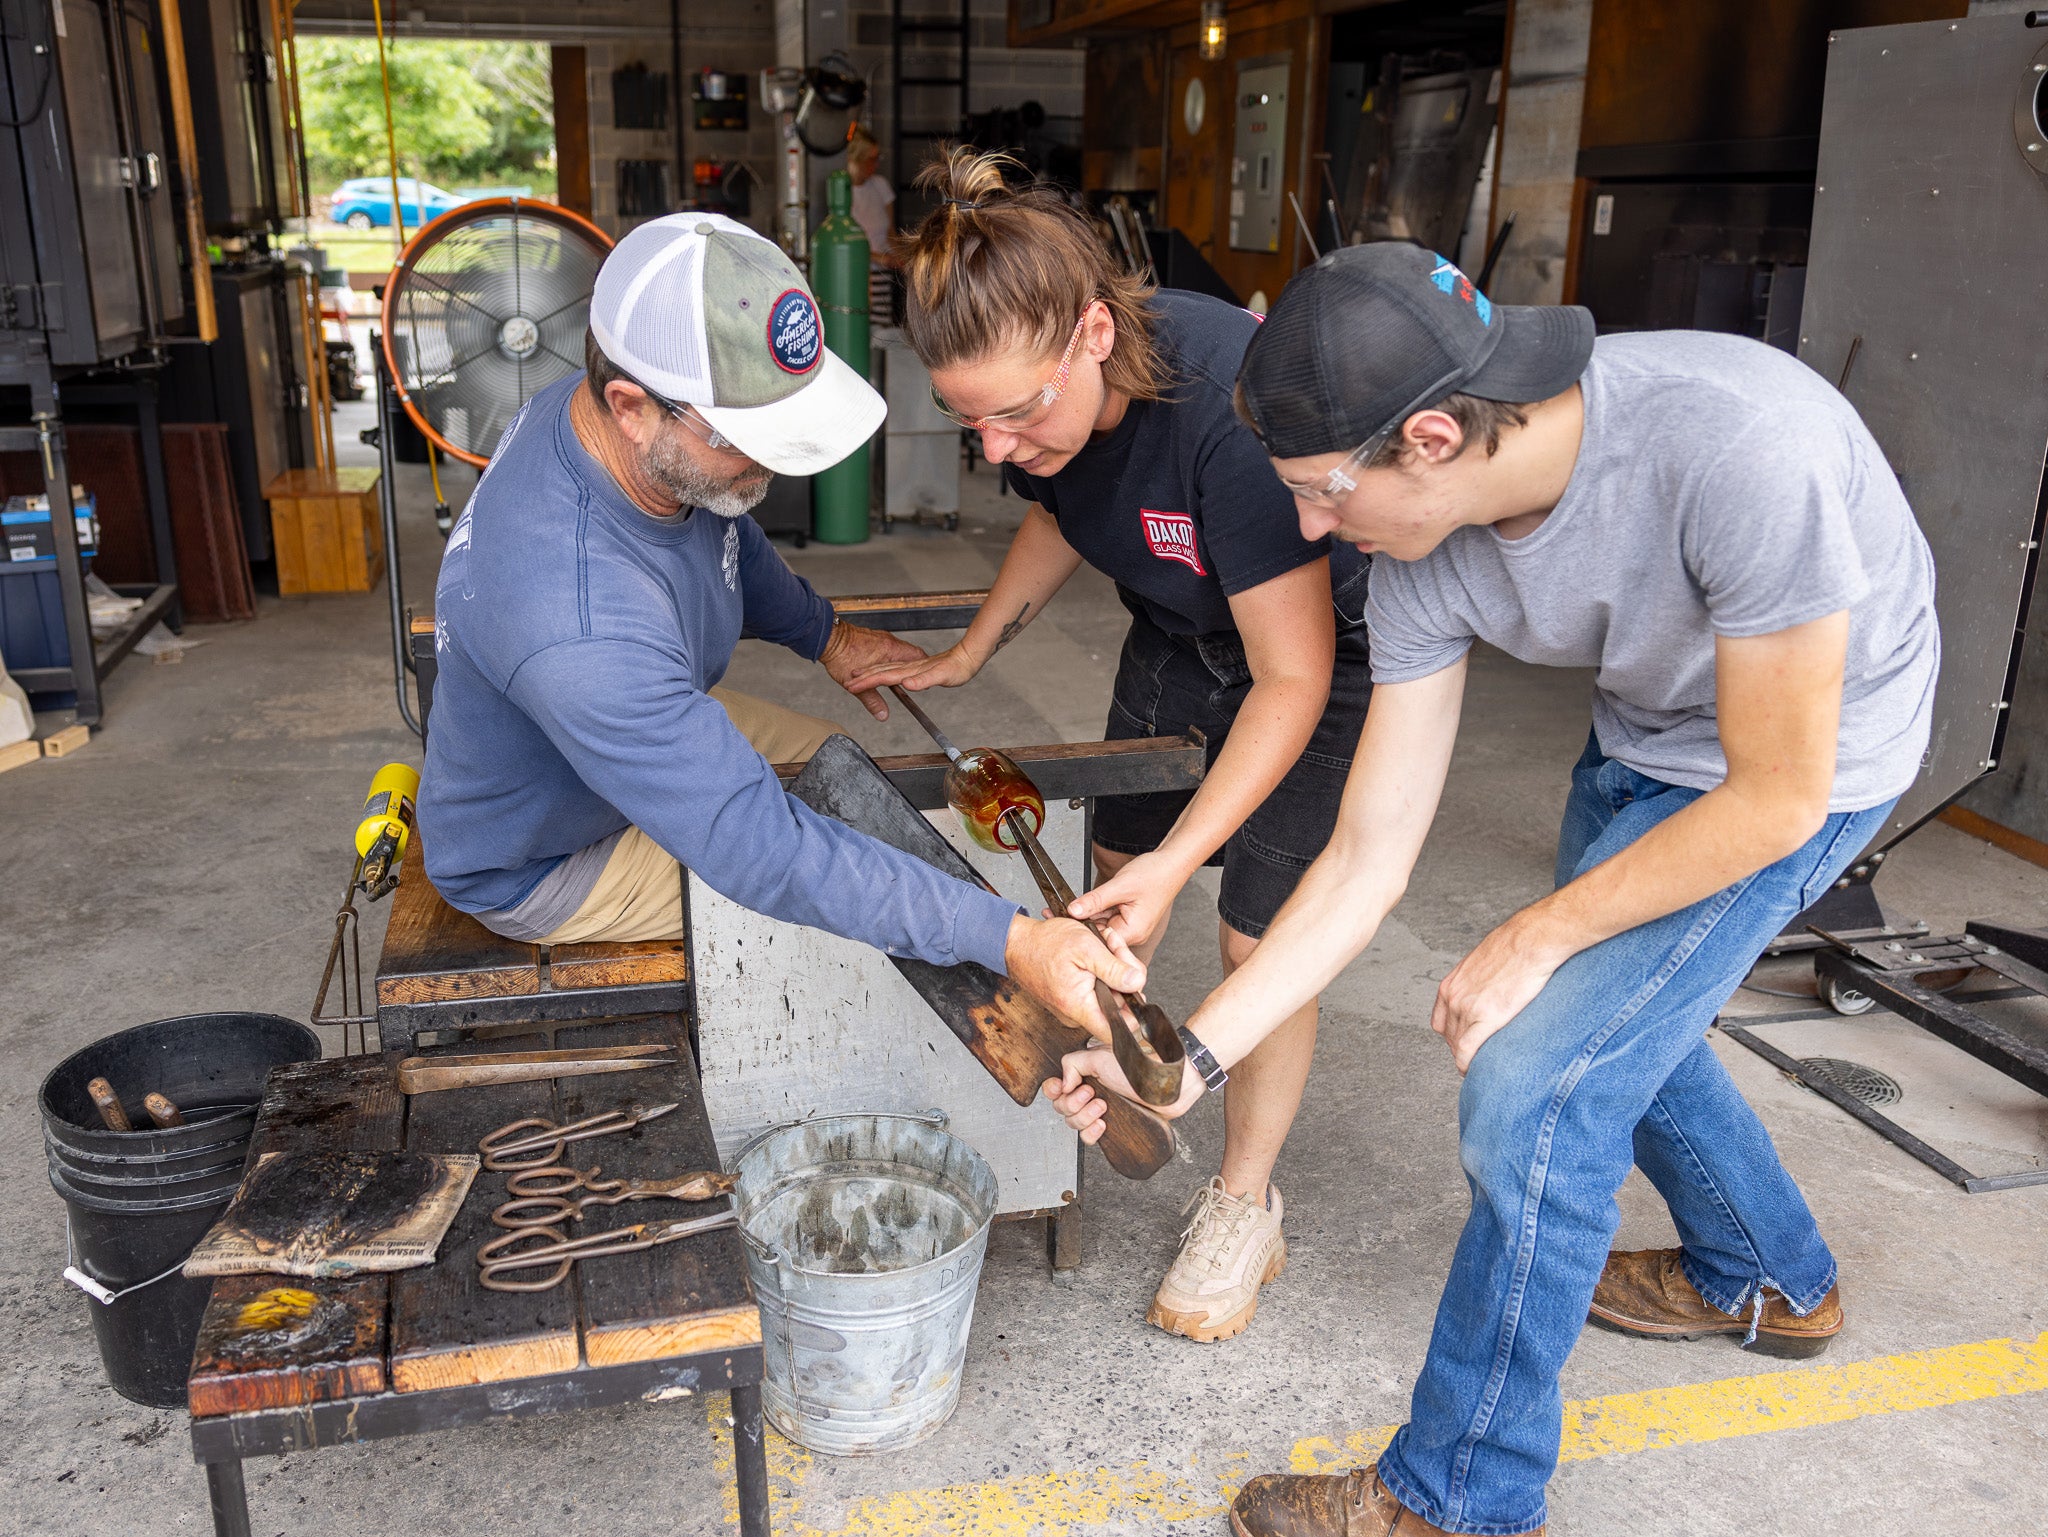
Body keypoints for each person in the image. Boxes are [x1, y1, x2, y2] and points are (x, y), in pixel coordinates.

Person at [1044, 243, 1939, 1536]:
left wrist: (1541, 931)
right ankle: (1768, 1273)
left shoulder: (1743, 449)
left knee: (1534, 1082)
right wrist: (1190, 1060)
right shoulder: (1418, 546)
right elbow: (1366, 855)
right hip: (1651, 731)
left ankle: (1460, 1495)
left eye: (1317, 493)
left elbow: (1774, 796)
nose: (1308, 529)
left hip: (1811, 755)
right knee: (1621, 1018)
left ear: (1428, 437)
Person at [849, 148, 1376, 1343]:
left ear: (1093, 332)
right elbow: (1060, 509)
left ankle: (1244, 1200)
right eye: (968, 421)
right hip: (1177, 634)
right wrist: (970, 651)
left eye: (1014, 413)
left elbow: (1290, 677)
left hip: (1321, 662)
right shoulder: (1040, 416)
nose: (993, 449)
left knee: (1256, 930)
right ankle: (1126, 1081)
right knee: (1106, 890)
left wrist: (1184, 860)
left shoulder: (1228, 413)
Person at [417, 212, 1141, 1033]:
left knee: (852, 782)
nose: (768, 465)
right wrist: (1009, 940)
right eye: (746, 439)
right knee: (835, 899)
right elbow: (764, 849)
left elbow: (721, 530)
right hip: (552, 857)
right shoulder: (577, 623)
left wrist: (826, 634)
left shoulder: (620, 421)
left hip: (615, 737)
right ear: (630, 408)